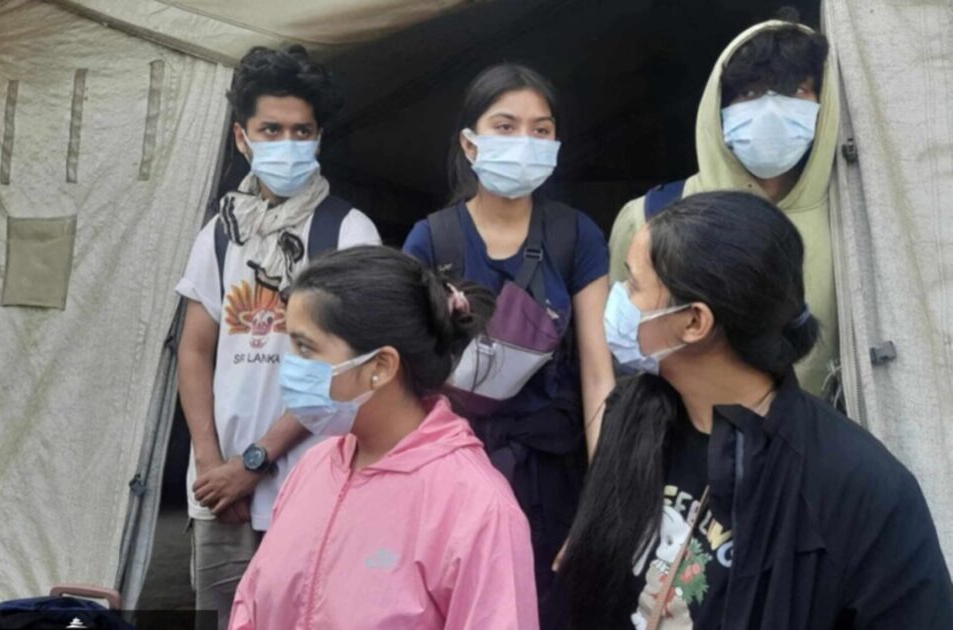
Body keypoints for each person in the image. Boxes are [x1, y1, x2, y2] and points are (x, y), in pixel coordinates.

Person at [559, 191, 953, 629]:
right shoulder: (634, 415)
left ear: (694, 322)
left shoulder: (861, 490)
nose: (618, 300)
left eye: (633, 285)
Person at [175, 45, 380, 629]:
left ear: (318, 138)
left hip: (312, 488)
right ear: (242, 138)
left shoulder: (348, 232)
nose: (287, 144)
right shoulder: (220, 233)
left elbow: (346, 371)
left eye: (301, 131)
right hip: (221, 496)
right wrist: (212, 466)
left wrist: (255, 461)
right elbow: (194, 349)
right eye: (271, 130)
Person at [227, 246, 538, 630]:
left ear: (381, 366)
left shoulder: (477, 508)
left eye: (305, 347)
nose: (289, 365)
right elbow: (251, 605)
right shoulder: (315, 467)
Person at [403, 63, 614, 623]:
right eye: (505, 126)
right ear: (469, 144)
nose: (525, 141)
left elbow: (598, 374)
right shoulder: (431, 239)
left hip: (555, 475)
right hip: (453, 473)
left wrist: (601, 502)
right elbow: (407, 380)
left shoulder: (576, 235)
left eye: (541, 130)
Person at [607, 14, 840, 400]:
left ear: (824, 102)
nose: (771, 110)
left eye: (795, 90)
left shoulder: (857, 222)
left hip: (820, 429)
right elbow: (620, 353)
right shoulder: (650, 217)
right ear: (719, 106)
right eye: (749, 92)